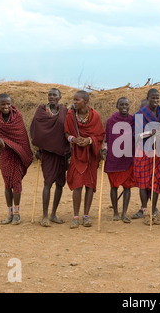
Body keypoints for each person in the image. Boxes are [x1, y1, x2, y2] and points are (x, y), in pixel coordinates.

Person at [0, 93, 33, 225]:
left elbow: (21, 136)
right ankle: (9, 213)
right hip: (5, 155)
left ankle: (17, 214)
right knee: (7, 184)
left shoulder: (17, 116)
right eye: (3, 104)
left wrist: (14, 146)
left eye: (8, 103)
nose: (6, 106)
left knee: (17, 183)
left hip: (18, 154)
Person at [64, 90, 105, 228]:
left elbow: (100, 136)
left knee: (89, 185)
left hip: (91, 156)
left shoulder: (95, 116)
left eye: (77, 100)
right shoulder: (70, 115)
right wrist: (74, 139)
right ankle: (75, 216)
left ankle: (86, 216)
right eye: (74, 100)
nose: (74, 102)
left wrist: (89, 140)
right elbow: (66, 133)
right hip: (77, 155)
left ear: (85, 101)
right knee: (77, 184)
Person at [30, 88, 70, 227]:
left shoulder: (65, 111)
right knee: (48, 183)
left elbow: (69, 128)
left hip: (62, 153)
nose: (52, 97)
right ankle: (45, 216)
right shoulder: (41, 111)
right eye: (50, 95)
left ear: (59, 97)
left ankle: (54, 214)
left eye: (55, 95)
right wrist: (38, 149)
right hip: (47, 153)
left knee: (60, 184)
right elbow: (36, 130)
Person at [133, 88, 160, 225]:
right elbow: (137, 135)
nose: (156, 100)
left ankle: (154, 208)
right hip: (143, 150)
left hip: (157, 150)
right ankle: (144, 208)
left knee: (155, 179)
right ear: (148, 98)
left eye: (158, 98)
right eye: (153, 98)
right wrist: (150, 133)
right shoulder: (140, 113)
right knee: (143, 181)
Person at [101, 97, 136, 223]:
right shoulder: (111, 121)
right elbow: (107, 139)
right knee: (114, 186)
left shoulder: (133, 120)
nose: (124, 106)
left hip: (128, 158)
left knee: (127, 187)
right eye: (121, 104)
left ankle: (124, 213)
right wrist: (104, 149)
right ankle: (115, 212)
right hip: (114, 159)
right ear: (117, 106)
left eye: (126, 104)